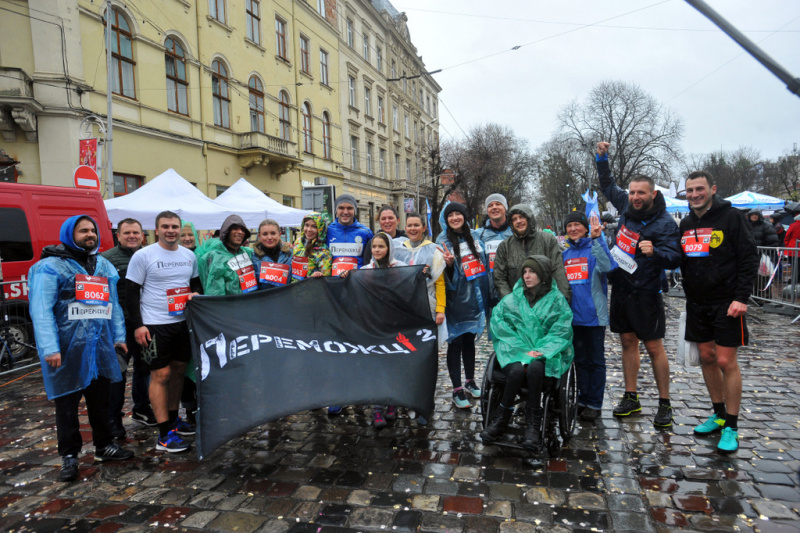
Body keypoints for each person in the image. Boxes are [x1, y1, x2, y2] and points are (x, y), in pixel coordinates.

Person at [29, 215, 134, 482]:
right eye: (83, 230)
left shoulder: (103, 266)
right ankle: (69, 456)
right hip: (66, 350)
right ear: (68, 233)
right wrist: (50, 348)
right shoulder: (50, 267)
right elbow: (41, 310)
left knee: (100, 401)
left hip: (99, 347)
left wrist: (119, 337)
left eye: (93, 230)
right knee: (66, 405)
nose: (90, 234)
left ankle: (104, 446)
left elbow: (114, 307)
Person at [596, 141, 681, 428]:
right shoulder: (624, 205)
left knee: (654, 347)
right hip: (622, 287)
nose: (634, 197)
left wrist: (654, 252)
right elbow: (607, 184)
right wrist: (602, 157)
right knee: (627, 342)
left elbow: (673, 258)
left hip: (647, 291)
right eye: (631, 192)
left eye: (640, 193)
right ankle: (631, 397)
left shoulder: (666, 223)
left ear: (652, 194)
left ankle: (664, 403)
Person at [681, 171, 758, 453]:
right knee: (707, 357)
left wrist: (741, 297)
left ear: (712, 189)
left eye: (699, 189)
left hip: (727, 302)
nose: (694, 194)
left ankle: (733, 426)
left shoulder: (732, 217)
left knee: (726, 361)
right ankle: (719, 414)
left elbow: (749, 256)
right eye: (689, 190)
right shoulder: (688, 222)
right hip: (697, 303)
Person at [479, 255, 573, 449]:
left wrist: (541, 350)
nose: (527, 276)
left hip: (544, 354)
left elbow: (561, 330)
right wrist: (521, 351)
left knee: (535, 369)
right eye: (525, 272)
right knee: (514, 371)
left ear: (543, 275)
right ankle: (501, 419)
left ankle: (533, 423)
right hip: (516, 351)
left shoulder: (557, 301)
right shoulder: (512, 300)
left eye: (532, 272)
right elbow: (499, 324)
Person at [126, 211, 202, 453]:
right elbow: (129, 293)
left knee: (178, 370)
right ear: (156, 230)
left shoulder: (189, 255)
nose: (171, 230)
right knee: (161, 375)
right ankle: (163, 435)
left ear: (180, 229)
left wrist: (196, 294)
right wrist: (138, 325)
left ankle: (172, 419)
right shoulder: (143, 255)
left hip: (182, 322)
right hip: (154, 324)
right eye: (165, 226)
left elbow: (195, 284)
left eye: (175, 226)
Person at [102, 218, 156, 436]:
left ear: (142, 234)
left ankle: (142, 408)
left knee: (144, 369)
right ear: (118, 235)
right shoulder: (106, 259)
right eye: (127, 233)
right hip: (120, 326)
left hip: (145, 323)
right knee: (118, 373)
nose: (132, 236)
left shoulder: (150, 255)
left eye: (136, 232)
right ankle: (114, 419)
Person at [561, 211, 616, 422]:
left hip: (594, 317)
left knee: (596, 361)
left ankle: (594, 402)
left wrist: (597, 239)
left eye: (577, 225)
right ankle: (582, 400)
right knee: (579, 361)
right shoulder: (565, 255)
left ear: (585, 228)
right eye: (569, 225)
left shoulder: (594, 248)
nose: (573, 229)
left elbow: (609, 267)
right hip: (573, 318)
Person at [436, 202, 489, 409]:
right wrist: (449, 266)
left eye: (459, 214)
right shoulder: (442, 240)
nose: (455, 217)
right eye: (451, 215)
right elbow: (441, 275)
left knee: (469, 340)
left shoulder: (475, 237)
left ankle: (470, 380)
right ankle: (457, 388)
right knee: (455, 342)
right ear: (446, 219)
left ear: (464, 217)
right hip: (455, 300)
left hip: (475, 299)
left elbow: (483, 264)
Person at [493, 203, 571, 302]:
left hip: (547, 305)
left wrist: (562, 301)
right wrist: (512, 304)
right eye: (514, 219)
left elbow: (558, 272)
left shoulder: (547, 240)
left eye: (521, 217)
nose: (518, 221)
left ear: (529, 219)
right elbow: (500, 278)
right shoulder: (505, 246)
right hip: (518, 308)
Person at [197, 215, 257, 296]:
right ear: (227, 231)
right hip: (229, 306)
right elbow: (216, 294)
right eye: (235, 228)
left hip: (250, 302)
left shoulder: (247, 253)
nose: (240, 232)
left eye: (243, 230)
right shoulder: (217, 257)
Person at [477, 194, 514, 309]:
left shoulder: (515, 231)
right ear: (487, 211)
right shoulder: (479, 235)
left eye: (498, 204)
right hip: (488, 293)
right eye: (490, 205)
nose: (494, 207)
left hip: (512, 288)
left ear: (505, 208)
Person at [327, 193, 373, 277]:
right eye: (341, 208)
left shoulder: (366, 232)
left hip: (357, 281)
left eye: (349, 208)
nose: (345, 212)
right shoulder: (327, 231)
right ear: (336, 211)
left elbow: (371, 259)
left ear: (355, 210)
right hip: (333, 282)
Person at [252, 219, 293, 290]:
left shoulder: (290, 253)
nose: (269, 237)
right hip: (265, 299)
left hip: (287, 297)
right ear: (259, 236)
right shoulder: (253, 256)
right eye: (265, 234)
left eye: (273, 233)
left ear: (279, 235)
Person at [292, 212, 332, 282]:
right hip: (293, 288)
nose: (309, 229)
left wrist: (317, 276)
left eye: (314, 226)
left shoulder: (323, 251)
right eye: (306, 225)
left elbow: (326, 279)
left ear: (320, 229)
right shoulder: (298, 242)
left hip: (310, 289)